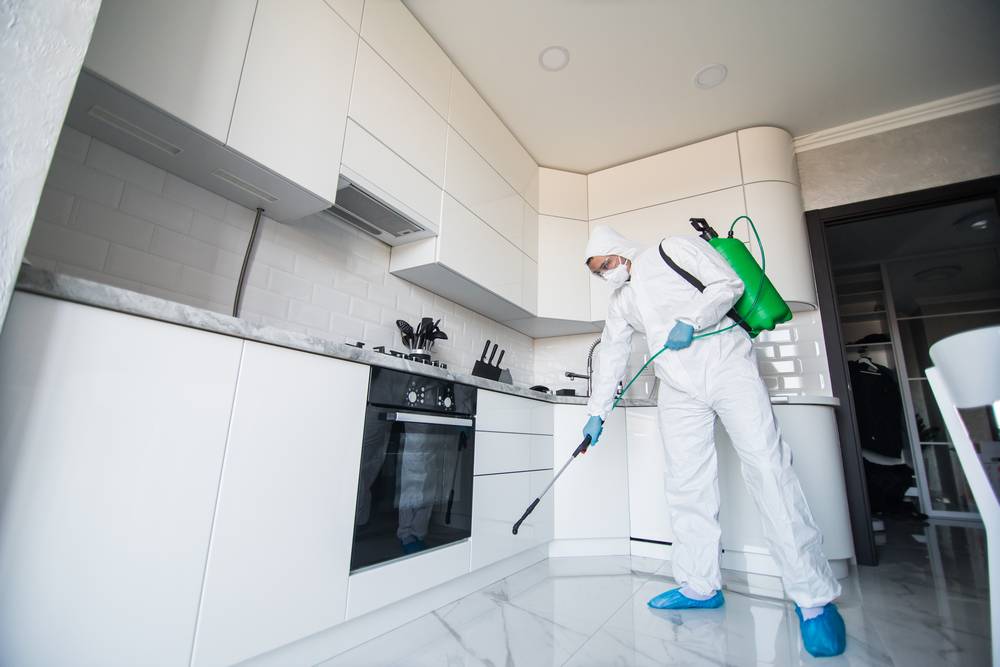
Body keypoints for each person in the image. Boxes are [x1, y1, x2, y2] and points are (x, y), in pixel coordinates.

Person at [583, 225, 847, 658]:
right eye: (599, 272)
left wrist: (691, 320)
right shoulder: (622, 301)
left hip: (727, 366)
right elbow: (612, 352)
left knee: (768, 468)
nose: (607, 273)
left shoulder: (669, 249)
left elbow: (728, 283)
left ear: (620, 250)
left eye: (607, 264)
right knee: (686, 484)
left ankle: (813, 598)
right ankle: (699, 586)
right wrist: (597, 411)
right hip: (677, 387)